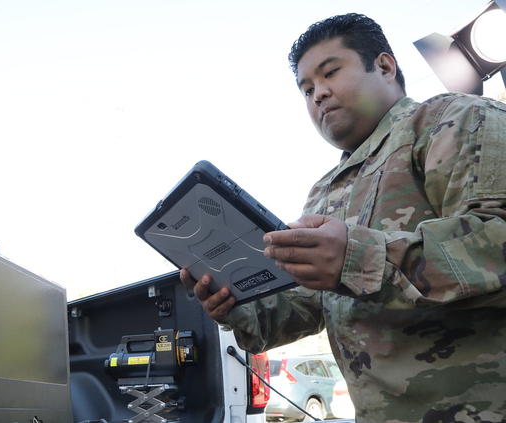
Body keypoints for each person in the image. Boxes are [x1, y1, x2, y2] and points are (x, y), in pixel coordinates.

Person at [181, 13, 506, 422]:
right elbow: (308, 307)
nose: (318, 94)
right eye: (306, 88)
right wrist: (234, 305)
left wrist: (357, 259)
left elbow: (497, 241)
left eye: (330, 73)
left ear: (385, 67)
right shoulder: (324, 191)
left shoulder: (456, 119)